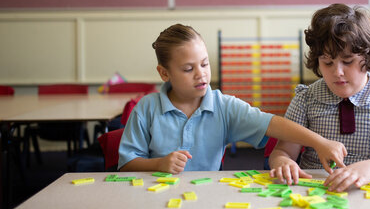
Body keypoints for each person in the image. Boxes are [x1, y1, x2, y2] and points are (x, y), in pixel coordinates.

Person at [118, 23, 346, 174]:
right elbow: (126, 164)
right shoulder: (146, 108)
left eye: (205, 64)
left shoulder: (223, 106)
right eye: (188, 69)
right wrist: (159, 164)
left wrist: (320, 142)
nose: (201, 74)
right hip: (152, 199)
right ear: (164, 73)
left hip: (205, 199)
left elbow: (273, 123)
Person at [269, 4, 370, 192]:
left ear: (368, 55)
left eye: (347, 61)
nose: (337, 72)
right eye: (327, 62)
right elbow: (282, 151)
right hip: (316, 192)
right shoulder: (306, 98)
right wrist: (282, 161)